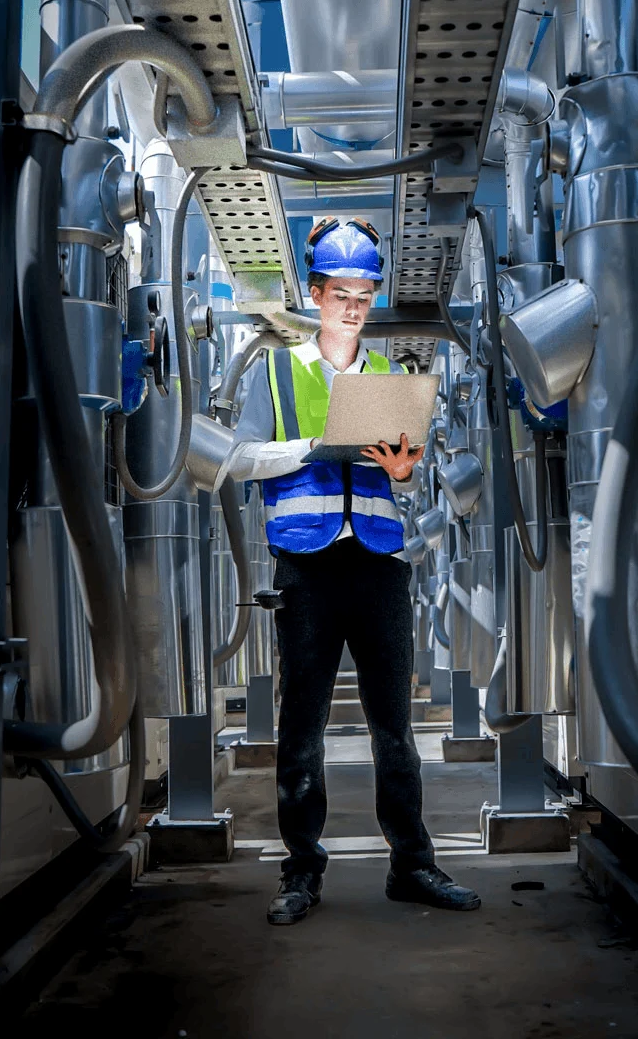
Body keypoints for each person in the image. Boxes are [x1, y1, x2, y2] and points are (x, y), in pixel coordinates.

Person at [229, 218, 482, 926]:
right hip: (306, 566)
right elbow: (241, 459)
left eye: (364, 296)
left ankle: (413, 865)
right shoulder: (275, 372)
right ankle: (301, 872)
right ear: (315, 294)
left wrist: (404, 473)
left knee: (394, 727)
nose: (353, 307)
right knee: (301, 728)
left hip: (378, 563)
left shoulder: (389, 380)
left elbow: (403, 478)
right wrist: (310, 446)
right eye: (341, 294)